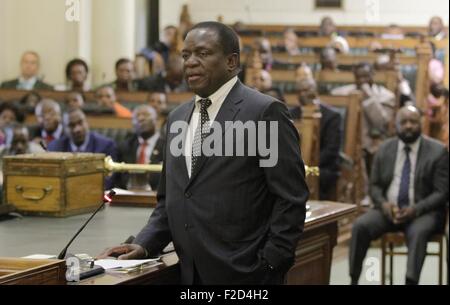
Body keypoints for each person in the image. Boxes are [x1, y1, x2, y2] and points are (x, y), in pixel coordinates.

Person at [98, 21, 309, 285]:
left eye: (203, 53)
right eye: (186, 55)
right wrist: (144, 244)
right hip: (189, 273)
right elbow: (172, 200)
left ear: (231, 62)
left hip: (248, 275)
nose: (190, 62)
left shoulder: (264, 113)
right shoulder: (176, 119)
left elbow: (290, 197)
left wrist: (271, 262)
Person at [349, 105, 449, 285]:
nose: (408, 126)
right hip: (389, 211)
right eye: (403, 122)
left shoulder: (438, 151)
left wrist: (415, 209)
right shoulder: (385, 149)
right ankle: (354, 278)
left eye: (413, 121)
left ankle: (410, 281)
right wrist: (385, 205)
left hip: (424, 212)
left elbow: (442, 192)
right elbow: (375, 186)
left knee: (418, 232)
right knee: (360, 226)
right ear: (395, 124)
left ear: (421, 123)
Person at [331, 62, 396, 176]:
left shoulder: (386, 96)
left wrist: (369, 98)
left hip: (374, 144)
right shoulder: (341, 93)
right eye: (358, 77)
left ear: (373, 75)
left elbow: (381, 122)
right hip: (347, 143)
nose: (362, 81)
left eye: (366, 76)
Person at [290, 76, 342, 200]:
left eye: (308, 89)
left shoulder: (332, 116)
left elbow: (331, 150)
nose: (304, 93)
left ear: (316, 90)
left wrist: (306, 166)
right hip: (295, 166)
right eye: (300, 91)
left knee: (307, 175)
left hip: (322, 168)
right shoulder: (290, 115)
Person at [48, 109, 117, 188]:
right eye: (71, 125)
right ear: (64, 128)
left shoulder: (106, 146)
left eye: (80, 123)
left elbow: (108, 179)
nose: (77, 129)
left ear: (87, 122)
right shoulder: (55, 147)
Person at [114, 105, 164, 191]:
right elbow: (117, 177)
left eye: (146, 115)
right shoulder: (125, 146)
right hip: (128, 195)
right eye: (136, 116)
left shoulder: (167, 146)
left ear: (156, 119)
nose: (141, 118)